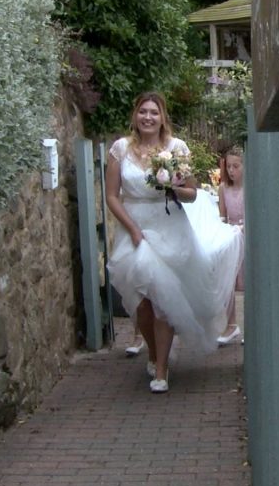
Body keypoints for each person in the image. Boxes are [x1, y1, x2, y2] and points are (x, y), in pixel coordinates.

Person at [105, 92, 242, 393]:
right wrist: (132, 228)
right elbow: (112, 195)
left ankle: (162, 371)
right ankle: (153, 354)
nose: (148, 118)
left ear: (162, 117)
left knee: (162, 301)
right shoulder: (120, 149)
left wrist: (172, 187)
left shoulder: (176, 148)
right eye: (143, 112)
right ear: (135, 115)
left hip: (169, 227)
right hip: (135, 229)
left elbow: (192, 193)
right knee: (142, 304)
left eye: (154, 112)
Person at [217, 146, 245, 345]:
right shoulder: (223, 188)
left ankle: (251, 325)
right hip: (231, 236)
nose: (231, 171)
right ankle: (231, 325)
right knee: (227, 282)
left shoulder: (250, 187)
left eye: (236, 166)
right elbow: (222, 216)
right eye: (229, 167)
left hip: (246, 236)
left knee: (247, 282)